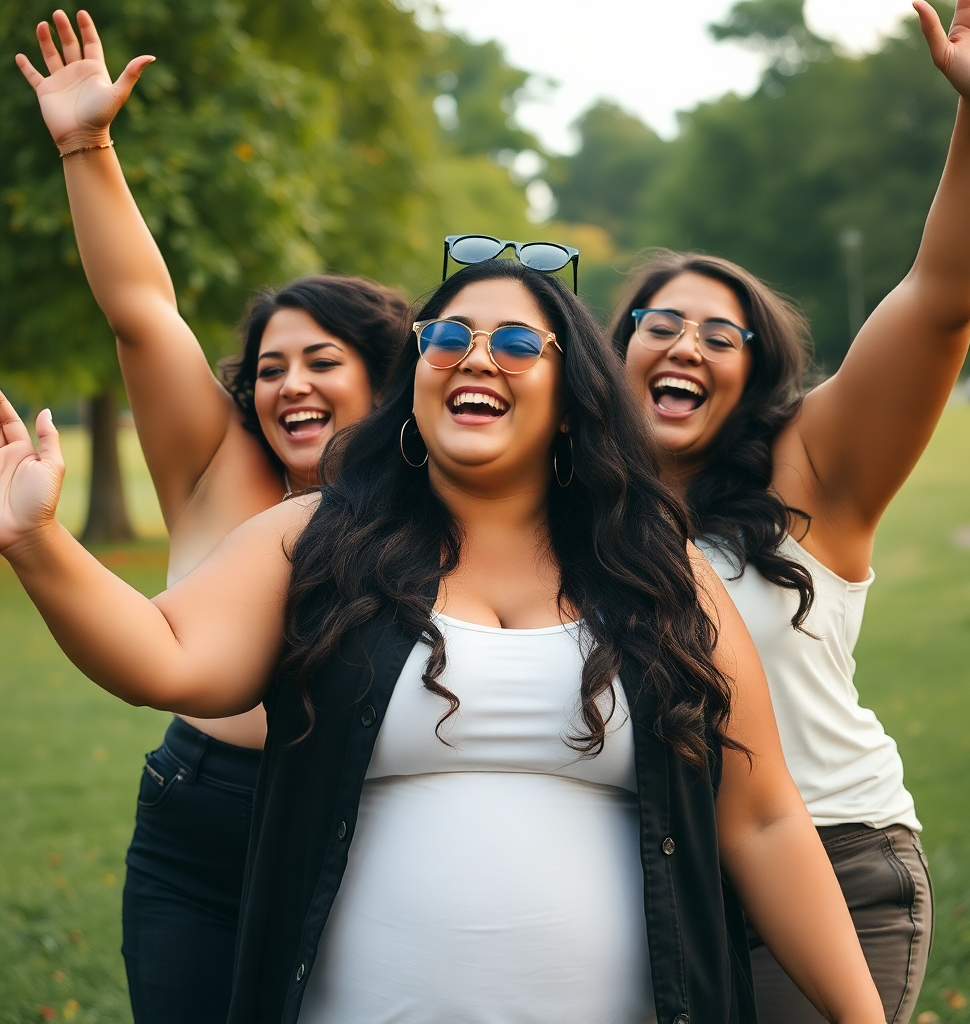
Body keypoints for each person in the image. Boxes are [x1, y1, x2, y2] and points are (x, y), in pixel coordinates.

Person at [0, 255, 889, 1024]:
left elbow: (766, 817)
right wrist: (38, 543)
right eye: (447, 339)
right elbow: (165, 658)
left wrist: (856, 1013)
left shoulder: (658, 572)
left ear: (573, 399)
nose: (475, 358)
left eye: (512, 345)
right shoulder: (315, 539)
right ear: (415, 379)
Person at [610, 2, 970, 1021]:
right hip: (654, 886)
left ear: (753, 374)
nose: (686, 346)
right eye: (658, 323)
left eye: (721, 334)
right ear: (610, 356)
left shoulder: (809, 476)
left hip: (836, 866)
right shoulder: (570, 515)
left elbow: (939, 299)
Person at [15, 11, 409, 1023]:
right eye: (271, 366)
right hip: (198, 820)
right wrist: (83, 144)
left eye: (324, 361)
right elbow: (142, 307)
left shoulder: (427, 503)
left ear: (388, 375)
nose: (291, 385)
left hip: (359, 824)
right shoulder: (210, 463)